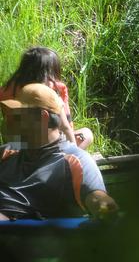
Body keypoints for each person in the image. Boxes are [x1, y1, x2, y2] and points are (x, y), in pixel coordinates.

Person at [0, 83, 117, 221]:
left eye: (17, 116)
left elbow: (99, 200)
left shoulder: (74, 161)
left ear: (42, 118)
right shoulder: (8, 152)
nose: (8, 121)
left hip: (25, 234)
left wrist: (106, 212)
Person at [0, 46, 93, 149]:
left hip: (16, 145)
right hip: (49, 145)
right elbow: (67, 127)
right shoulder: (54, 90)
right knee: (87, 134)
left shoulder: (5, 90)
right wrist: (74, 151)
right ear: (49, 72)